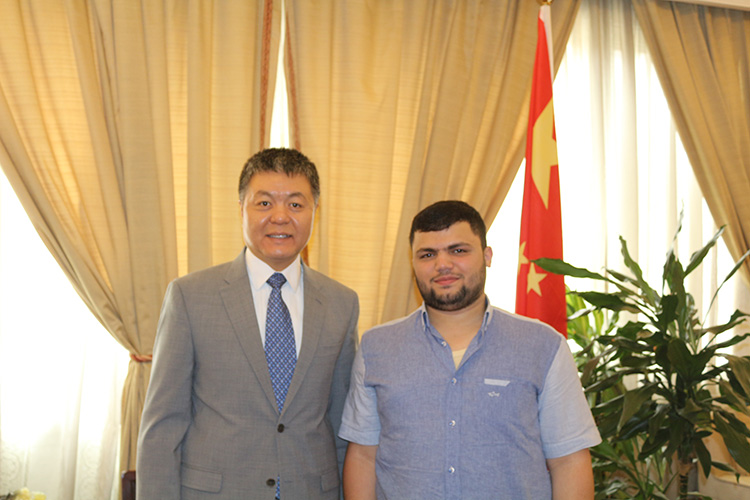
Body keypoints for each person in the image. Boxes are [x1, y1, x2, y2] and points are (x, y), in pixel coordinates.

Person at [339, 200, 600, 500]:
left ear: (487, 256)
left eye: (458, 250)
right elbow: (364, 456)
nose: (442, 264)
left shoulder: (543, 346)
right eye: (427, 254)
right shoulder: (377, 348)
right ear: (412, 262)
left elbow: (569, 461)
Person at [137, 148, 359, 499]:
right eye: (264, 203)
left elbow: (343, 423)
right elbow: (162, 427)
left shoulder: (341, 304)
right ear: (241, 208)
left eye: (296, 204)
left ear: (315, 211)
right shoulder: (190, 297)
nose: (280, 217)